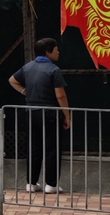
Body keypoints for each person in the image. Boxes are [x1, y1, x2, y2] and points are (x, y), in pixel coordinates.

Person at [9, 37, 73, 193]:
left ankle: (31, 183)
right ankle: (51, 184)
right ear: (48, 52)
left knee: (34, 147)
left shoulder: (28, 67)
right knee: (52, 148)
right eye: (56, 50)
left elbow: (12, 80)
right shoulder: (53, 70)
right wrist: (67, 115)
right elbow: (60, 95)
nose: (59, 53)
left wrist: (25, 91)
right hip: (50, 112)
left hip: (31, 111)